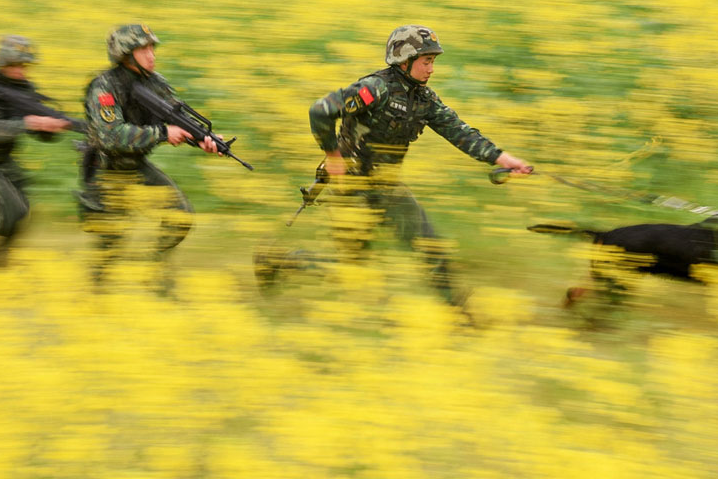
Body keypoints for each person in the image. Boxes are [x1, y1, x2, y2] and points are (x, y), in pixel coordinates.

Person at [258, 24, 531, 316]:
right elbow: (321, 111)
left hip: (387, 188)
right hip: (352, 189)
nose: (431, 69)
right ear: (405, 60)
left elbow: (459, 132)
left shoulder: (424, 99)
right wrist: (332, 154)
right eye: (426, 62)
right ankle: (282, 262)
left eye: (433, 62)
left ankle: (460, 314)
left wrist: (502, 158)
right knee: (355, 275)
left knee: (431, 247)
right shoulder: (375, 89)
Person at [78, 23, 220, 278]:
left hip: (135, 166)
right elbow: (111, 136)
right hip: (106, 171)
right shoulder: (104, 87)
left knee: (179, 218)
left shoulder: (155, 83)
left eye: (152, 47)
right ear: (125, 54)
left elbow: (178, 119)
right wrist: (164, 134)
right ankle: (94, 301)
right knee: (110, 248)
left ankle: (152, 274)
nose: (152, 54)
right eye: (143, 49)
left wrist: (204, 138)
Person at [0, 35, 73, 255]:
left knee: (22, 215)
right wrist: (28, 123)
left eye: (23, 65)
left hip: (5, 160)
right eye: (14, 65)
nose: (20, 70)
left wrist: (50, 127)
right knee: (9, 215)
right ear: (2, 63)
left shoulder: (25, 89)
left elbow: (40, 134)